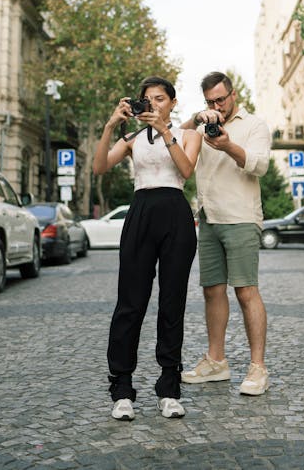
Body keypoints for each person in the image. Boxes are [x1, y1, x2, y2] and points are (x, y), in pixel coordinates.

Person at [93, 76, 201, 421]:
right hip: (140, 212)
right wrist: (111, 125)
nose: (152, 104)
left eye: (159, 99)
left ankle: (169, 388)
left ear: (172, 102)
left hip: (174, 212)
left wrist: (166, 132)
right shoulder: (131, 138)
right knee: (130, 302)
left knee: (173, 301)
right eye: (146, 100)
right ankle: (121, 388)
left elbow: (186, 170)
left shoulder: (189, 136)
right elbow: (98, 167)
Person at [180, 71, 271, 396]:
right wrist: (196, 117)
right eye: (210, 101)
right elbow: (176, 136)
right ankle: (216, 362)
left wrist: (228, 144)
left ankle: (258, 368)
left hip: (242, 218)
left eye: (221, 99)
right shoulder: (202, 125)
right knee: (211, 291)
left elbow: (260, 165)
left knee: (246, 292)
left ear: (233, 95)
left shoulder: (254, 125)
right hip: (209, 217)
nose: (217, 105)